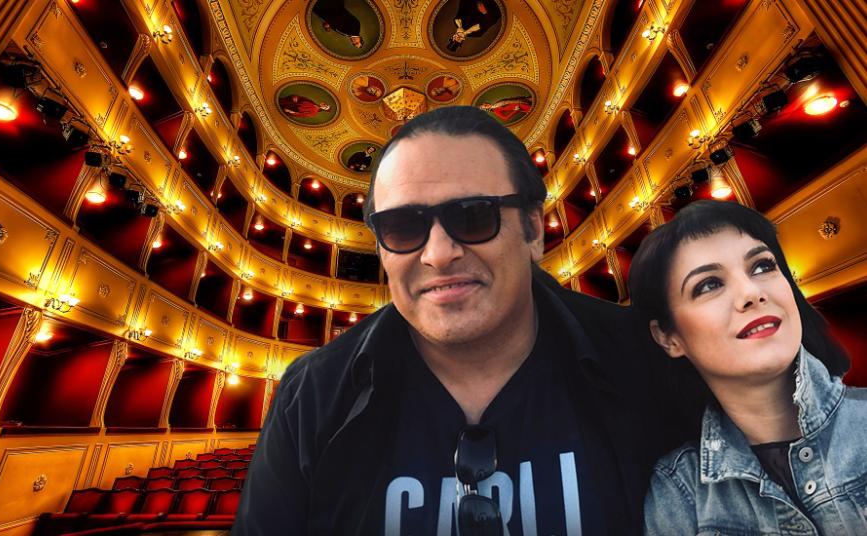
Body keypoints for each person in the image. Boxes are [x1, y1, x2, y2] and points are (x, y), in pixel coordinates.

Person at [233, 106, 698, 535]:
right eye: (402, 227)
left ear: (533, 231)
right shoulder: (311, 396)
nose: (438, 254)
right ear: (382, 250)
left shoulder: (648, 360)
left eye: (474, 216)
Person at [627, 200, 862, 534]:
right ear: (668, 338)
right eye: (709, 284)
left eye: (763, 266)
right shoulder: (678, 491)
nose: (751, 292)